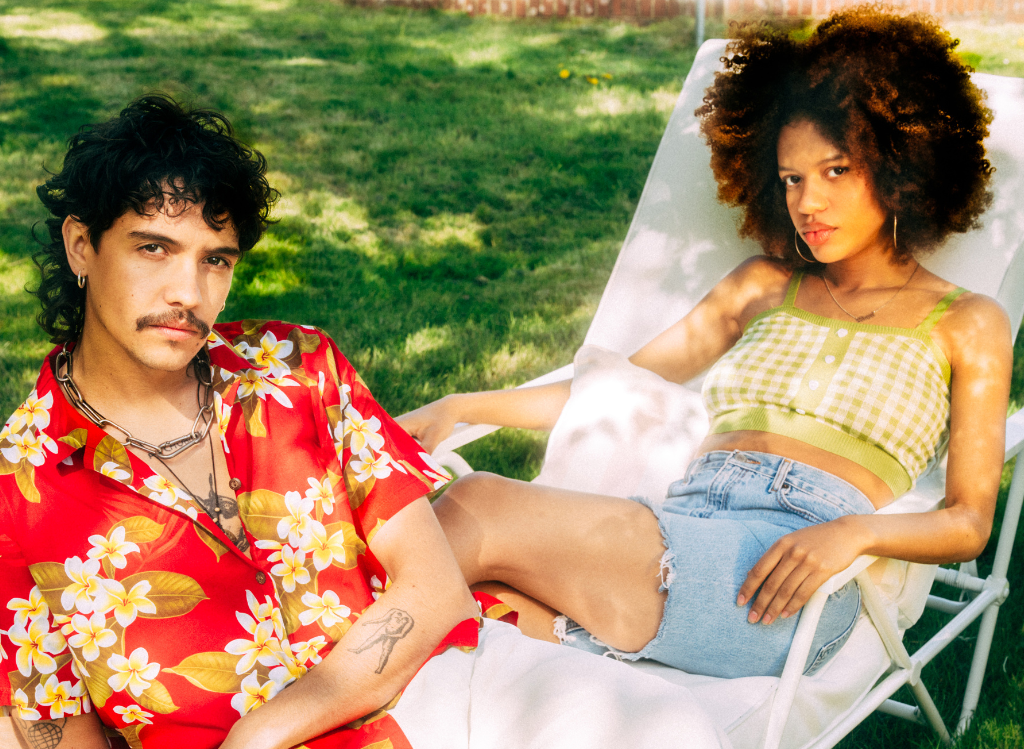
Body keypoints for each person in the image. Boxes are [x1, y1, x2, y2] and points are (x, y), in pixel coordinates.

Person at [0, 96, 801, 749]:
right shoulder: (19, 496)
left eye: (215, 259)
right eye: (154, 248)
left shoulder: (297, 368)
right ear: (81, 245)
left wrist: (254, 737)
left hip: (441, 674)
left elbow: (430, 585)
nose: (189, 291)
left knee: (670, 734)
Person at [399, 6, 1012, 680]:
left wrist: (855, 532)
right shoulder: (762, 286)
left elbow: (968, 521)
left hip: (784, 574)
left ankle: (307, 672)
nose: (807, 203)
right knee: (456, 598)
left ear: (901, 168)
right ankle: (325, 697)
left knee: (475, 506)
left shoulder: (967, 321)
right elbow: (612, 393)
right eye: (791, 179)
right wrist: (462, 407)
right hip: (679, 529)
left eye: (836, 170)